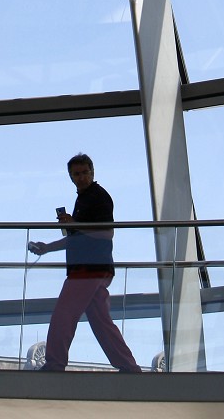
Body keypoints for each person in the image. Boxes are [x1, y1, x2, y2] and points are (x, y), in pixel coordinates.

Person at [28, 154, 141, 373]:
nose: (81, 177)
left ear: (92, 173)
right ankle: (129, 367)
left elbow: (106, 233)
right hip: (94, 268)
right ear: (71, 177)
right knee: (101, 322)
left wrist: (76, 223)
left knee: (64, 314)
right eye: (77, 174)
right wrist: (48, 247)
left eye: (84, 173)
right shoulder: (85, 199)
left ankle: (55, 364)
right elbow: (80, 236)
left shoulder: (98, 197)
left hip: (88, 269)